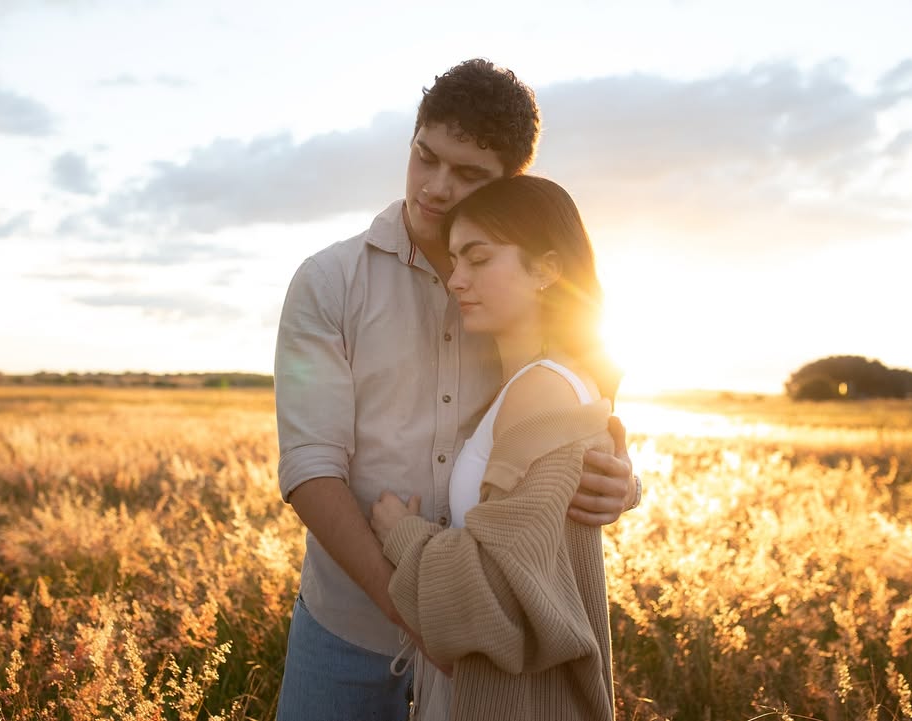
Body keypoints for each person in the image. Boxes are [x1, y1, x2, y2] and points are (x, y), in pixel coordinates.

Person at [273, 59, 639, 721]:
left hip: (488, 650)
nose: (437, 188)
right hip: (346, 627)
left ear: (511, 185)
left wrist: (622, 476)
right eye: (425, 156)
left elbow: (573, 404)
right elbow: (310, 468)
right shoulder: (328, 282)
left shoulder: (521, 295)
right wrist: (414, 608)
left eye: (469, 175)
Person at [369, 175, 619, 720]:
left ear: (546, 269)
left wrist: (403, 537)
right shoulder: (533, 384)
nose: (457, 279)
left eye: (478, 259)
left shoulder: (542, 390)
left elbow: (506, 590)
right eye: (455, 259)